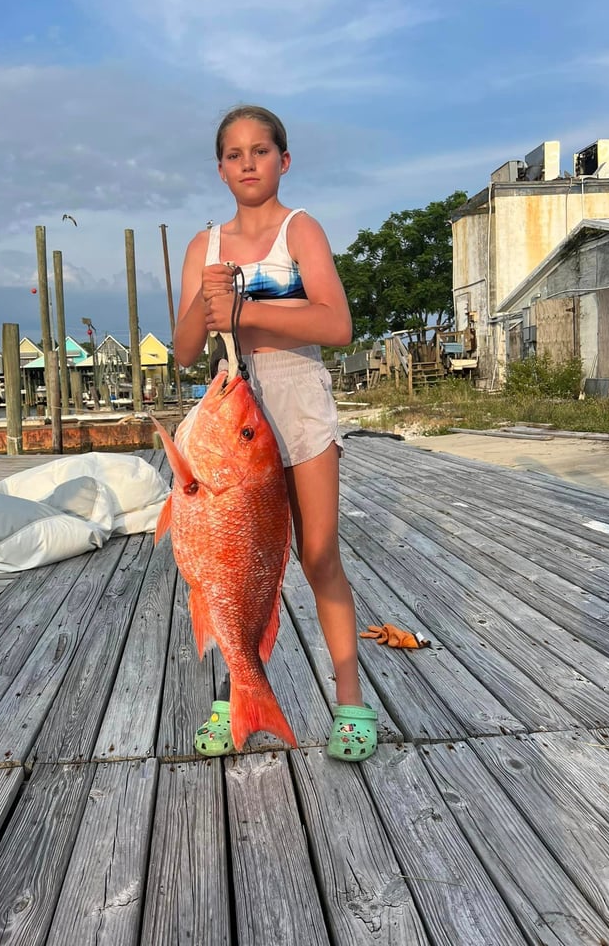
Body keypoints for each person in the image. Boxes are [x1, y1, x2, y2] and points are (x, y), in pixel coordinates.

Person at [173, 104, 377, 761]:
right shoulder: (202, 246)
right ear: (220, 168)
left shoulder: (301, 229)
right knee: (225, 565)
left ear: (283, 161)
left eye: (261, 151)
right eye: (234, 154)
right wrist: (206, 309)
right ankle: (234, 698)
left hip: (295, 400)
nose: (248, 162)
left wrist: (247, 308)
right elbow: (181, 352)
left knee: (318, 556)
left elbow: (336, 325)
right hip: (231, 407)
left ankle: (350, 701)